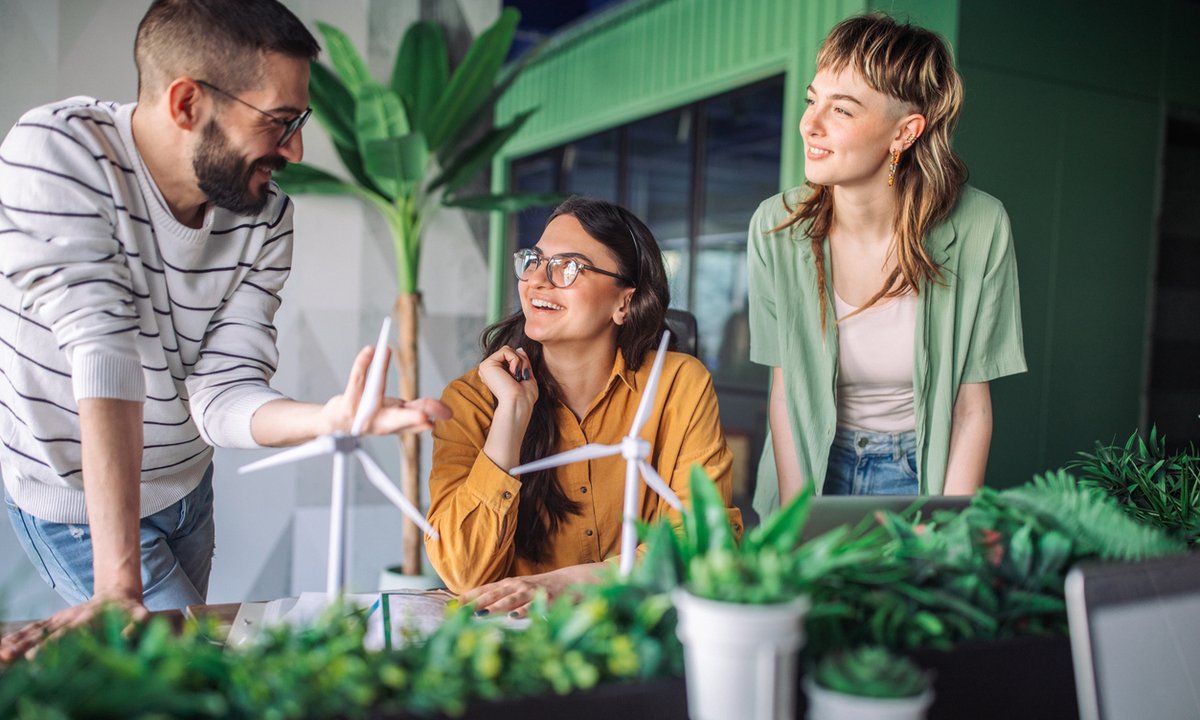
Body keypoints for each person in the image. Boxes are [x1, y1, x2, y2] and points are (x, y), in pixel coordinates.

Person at [0, 0, 448, 660]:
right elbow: (102, 346)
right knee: (195, 670)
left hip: (187, 488)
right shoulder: (57, 151)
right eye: (279, 121)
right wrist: (117, 585)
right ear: (186, 103)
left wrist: (329, 418)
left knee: (180, 673)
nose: (294, 150)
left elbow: (220, 394)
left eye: (299, 121)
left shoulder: (263, 216)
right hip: (75, 501)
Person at [748, 13, 1025, 514]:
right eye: (813, 100)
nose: (809, 123)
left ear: (905, 132)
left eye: (843, 110)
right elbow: (786, 398)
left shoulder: (982, 226)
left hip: (922, 473)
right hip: (813, 466)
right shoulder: (777, 226)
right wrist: (796, 522)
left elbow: (970, 409)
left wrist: (946, 528)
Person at [426, 196, 742, 615]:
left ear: (623, 302)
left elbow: (702, 540)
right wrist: (511, 417)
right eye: (534, 260)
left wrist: (569, 583)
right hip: (516, 641)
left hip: (638, 627)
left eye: (567, 267)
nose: (537, 280)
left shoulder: (678, 384)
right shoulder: (472, 400)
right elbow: (463, 572)